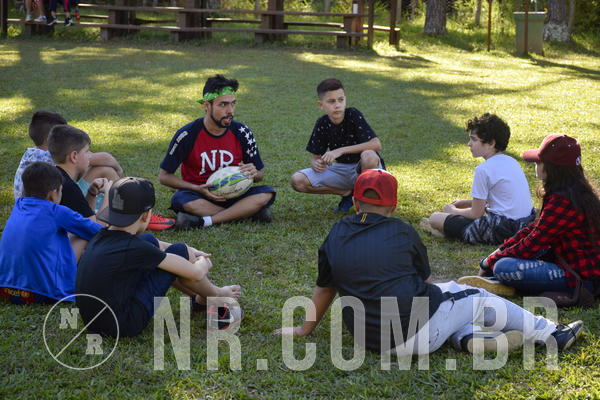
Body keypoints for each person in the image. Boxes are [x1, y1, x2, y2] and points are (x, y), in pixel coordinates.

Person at [275, 169, 583, 355]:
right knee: (473, 296)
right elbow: (427, 287)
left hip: (367, 340)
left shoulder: (336, 233)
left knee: (450, 299)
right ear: (394, 205)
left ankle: (467, 338)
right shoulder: (403, 231)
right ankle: (549, 332)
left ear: (355, 203)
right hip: (416, 334)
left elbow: (324, 289)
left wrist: (304, 329)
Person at [75, 177, 243, 337]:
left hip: (94, 322)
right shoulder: (135, 247)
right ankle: (219, 297)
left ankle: (200, 299)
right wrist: (203, 262)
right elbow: (196, 273)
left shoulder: (102, 235)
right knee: (179, 251)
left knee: (150, 240)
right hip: (124, 325)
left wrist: (192, 250)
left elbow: (153, 244)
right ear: (145, 215)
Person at [459, 134, 600, 297]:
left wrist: (490, 261)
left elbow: (534, 242)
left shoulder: (564, 201)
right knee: (503, 261)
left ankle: (512, 285)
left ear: (553, 168)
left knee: (504, 267)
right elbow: (533, 229)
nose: (535, 165)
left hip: (578, 277)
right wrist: (497, 252)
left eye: (539, 162)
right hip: (566, 264)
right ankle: (506, 283)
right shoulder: (571, 191)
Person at [159, 74, 275, 229]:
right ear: (207, 106)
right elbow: (164, 176)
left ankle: (205, 221)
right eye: (223, 105)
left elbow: (260, 176)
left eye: (233, 104)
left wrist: (254, 172)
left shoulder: (242, 132)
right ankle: (247, 212)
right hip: (200, 195)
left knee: (266, 193)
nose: (230, 111)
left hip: (235, 192)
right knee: (181, 199)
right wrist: (197, 189)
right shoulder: (187, 135)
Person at [421, 113, 535, 245]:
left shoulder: (483, 170)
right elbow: (503, 201)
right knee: (452, 218)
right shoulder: (512, 162)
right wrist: (467, 202)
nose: (469, 144)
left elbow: (476, 214)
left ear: (491, 143)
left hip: (501, 229)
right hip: (524, 225)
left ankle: (444, 230)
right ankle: (447, 228)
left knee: (435, 218)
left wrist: (453, 211)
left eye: (474, 140)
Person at [42, 120, 174, 230]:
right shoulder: (69, 188)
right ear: (74, 156)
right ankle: (137, 215)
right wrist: (108, 194)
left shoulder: (56, 177)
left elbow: (84, 217)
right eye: (87, 152)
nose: (90, 156)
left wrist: (92, 194)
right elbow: (96, 230)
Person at [0, 162, 101, 304]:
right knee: (81, 235)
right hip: (41, 294)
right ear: (53, 194)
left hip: (6, 289)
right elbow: (96, 231)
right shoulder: (56, 211)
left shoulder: (19, 206)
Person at [290, 78, 383, 212]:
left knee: (369, 155)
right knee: (297, 180)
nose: (337, 105)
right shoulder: (322, 123)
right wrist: (316, 163)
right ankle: (347, 194)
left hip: (365, 168)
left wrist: (340, 151)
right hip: (341, 170)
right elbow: (315, 157)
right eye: (331, 101)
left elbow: (376, 144)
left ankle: (366, 205)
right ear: (321, 105)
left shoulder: (353, 114)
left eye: (340, 100)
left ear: (345, 100)